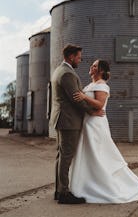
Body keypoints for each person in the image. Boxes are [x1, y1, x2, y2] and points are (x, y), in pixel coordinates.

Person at [69, 59, 138, 203]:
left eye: (95, 65)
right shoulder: (90, 85)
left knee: (98, 153)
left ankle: (105, 184)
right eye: (92, 64)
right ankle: (85, 184)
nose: (91, 66)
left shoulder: (102, 86)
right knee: (86, 154)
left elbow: (99, 105)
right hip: (86, 122)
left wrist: (84, 96)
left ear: (101, 71)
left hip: (96, 124)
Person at [49, 44, 103, 204]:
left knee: (61, 156)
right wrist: (92, 111)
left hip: (62, 119)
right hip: (68, 121)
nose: (80, 60)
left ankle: (59, 191)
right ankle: (64, 193)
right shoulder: (67, 73)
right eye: (78, 57)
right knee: (66, 156)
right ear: (71, 56)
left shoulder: (59, 70)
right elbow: (76, 98)